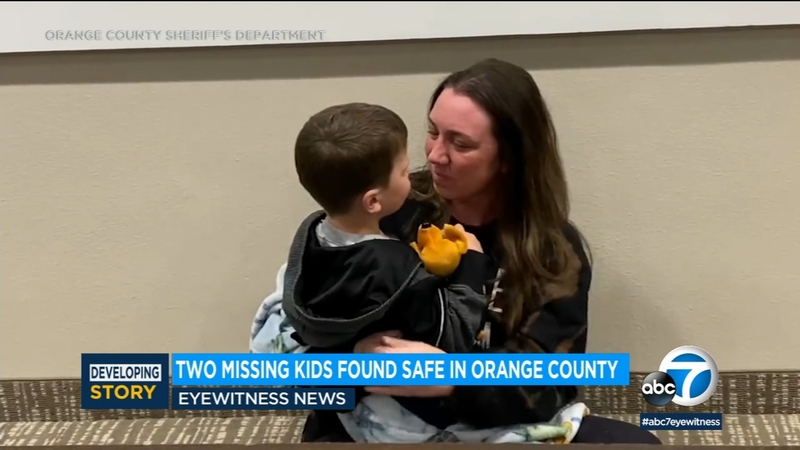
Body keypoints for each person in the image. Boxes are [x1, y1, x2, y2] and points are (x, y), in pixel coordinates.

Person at [296, 58, 663, 445]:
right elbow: (297, 353)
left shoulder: (551, 249)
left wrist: (451, 379)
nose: (435, 155)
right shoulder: (385, 208)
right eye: (433, 132)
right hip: (372, 418)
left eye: (461, 144)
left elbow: (549, 387)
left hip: (490, 425)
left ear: (509, 158)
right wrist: (355, 359)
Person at [280, 102, 489, 357]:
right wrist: (472, 265)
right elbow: (454, 334)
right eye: (403, 172)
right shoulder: (396, 266)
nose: (411, 177)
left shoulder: (308, 235)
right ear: (373, 201)